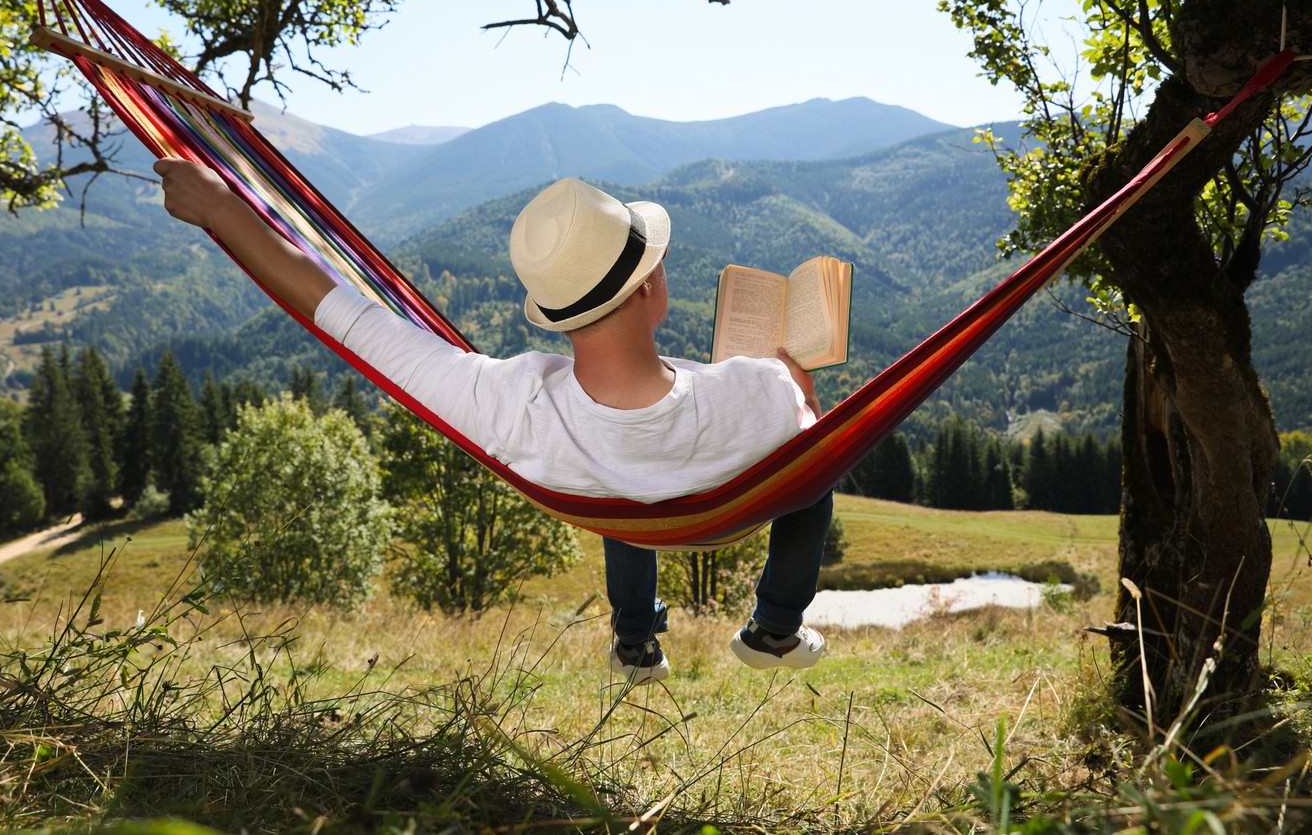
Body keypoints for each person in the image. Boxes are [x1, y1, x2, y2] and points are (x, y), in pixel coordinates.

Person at [155, 161, 832, 684]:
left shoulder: (508, 406)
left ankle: (635, 641)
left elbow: (337, 309)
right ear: (650, 288)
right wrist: (790, 372)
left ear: (558, 311)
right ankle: (773, 627)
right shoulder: (753, 390)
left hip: (619, 503)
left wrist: (219, 207)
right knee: (817, 474)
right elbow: (811, 424)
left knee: (624, 492)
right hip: (721, 501)